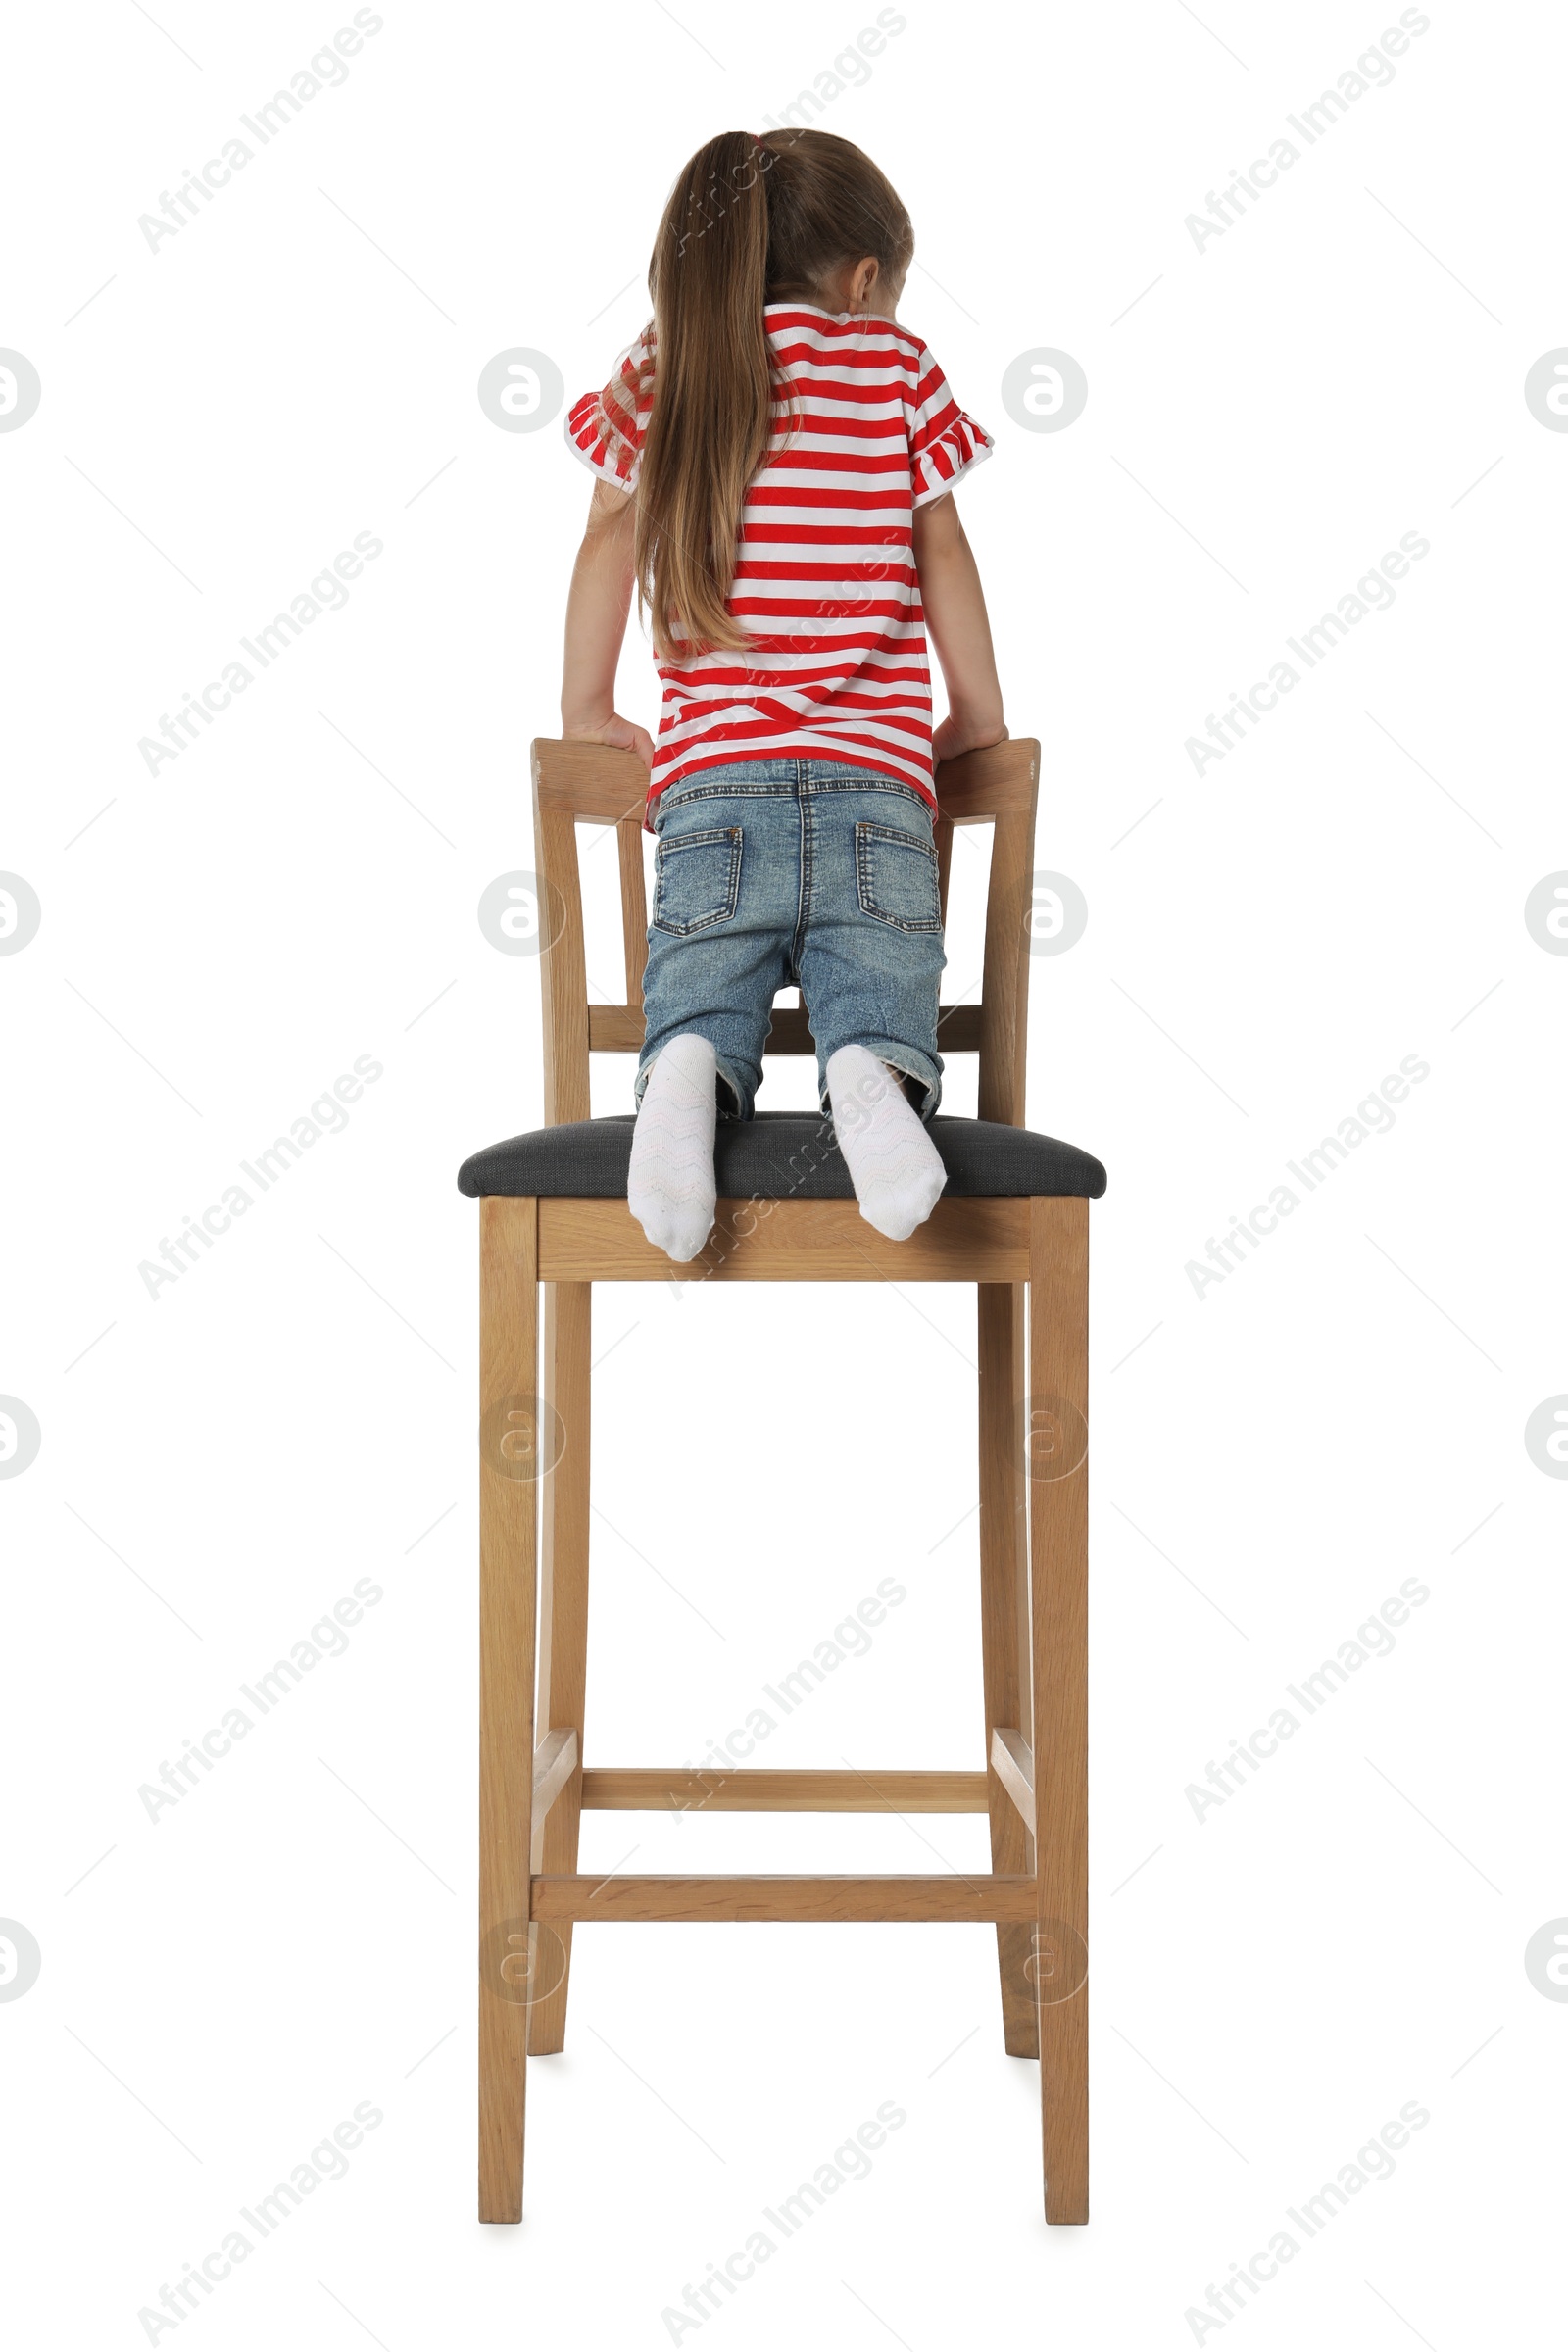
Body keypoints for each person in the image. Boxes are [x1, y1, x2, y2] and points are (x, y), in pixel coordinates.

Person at [560, 126, 1006, 1260]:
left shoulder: (667, 367)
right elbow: (942, 551)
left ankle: (684, 1079)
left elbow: (608, 534)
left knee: (701, 984)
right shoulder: (895, 367)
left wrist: (586, 711)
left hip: (711, 788)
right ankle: (871, 1073)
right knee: (882, 981)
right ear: (865, 279)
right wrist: (979, 718)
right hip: (878, 786)